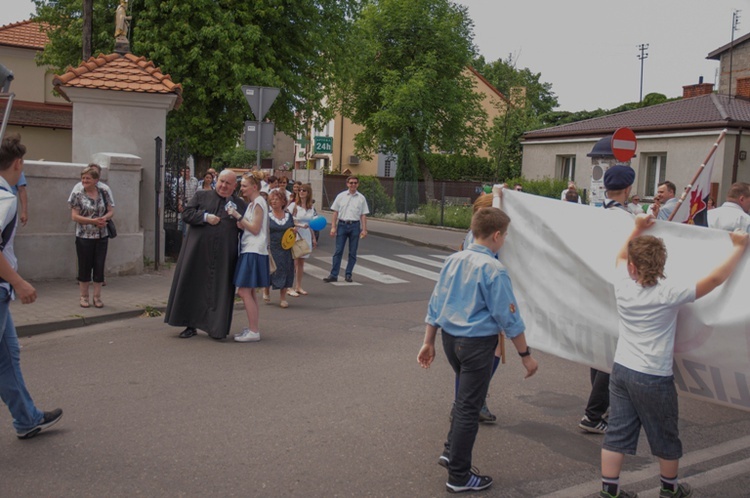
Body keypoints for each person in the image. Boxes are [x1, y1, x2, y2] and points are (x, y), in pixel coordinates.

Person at [599, 214, 748, 498]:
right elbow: (716, 279)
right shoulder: (669, 291)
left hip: (622, 369)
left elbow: (619, 256)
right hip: (654, 375)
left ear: (632, 267)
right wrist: (739, 248)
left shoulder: (622, 283)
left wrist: (637, 227)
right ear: (661, 264)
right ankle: (669, 489)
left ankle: (610, 490)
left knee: (617, 431)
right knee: (665, 433)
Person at [418, 206, 538, 493]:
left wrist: (428, 340)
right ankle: (459, 476)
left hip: (450, 340)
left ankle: (451, 451)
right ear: (497, 235)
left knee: (464, 400)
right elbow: (509, 317)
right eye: (505, 235)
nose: (505, 240)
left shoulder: (453, 259)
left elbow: (436, 302)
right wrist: (526, 355)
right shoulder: (494, 269)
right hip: (477, 345)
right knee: (470, 408)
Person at [0, 134, 63, 440]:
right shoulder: (5, 198)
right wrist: (18, 282)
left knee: (8, 355)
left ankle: (27, 419)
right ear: (19, 164)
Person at [579, 164, 635, 435]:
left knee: (599, 351)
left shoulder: (596, 215)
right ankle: (593, 413)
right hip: (617, 289)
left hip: (595, 288)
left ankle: (599, 406)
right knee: (613, 353)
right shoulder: (626, 220)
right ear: (628, 189)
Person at [165, 169, 246, 340]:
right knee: (194, 286)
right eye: (221, 181)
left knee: (219, 290)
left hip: (224, 255)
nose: (223, 185)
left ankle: (215, 327)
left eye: (228, 183)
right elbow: (186, 214)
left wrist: (242, 225)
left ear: (234, 186)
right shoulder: (201, 196)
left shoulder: (239, 204)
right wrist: (205, 217)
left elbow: (249, 226)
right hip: (198, 252)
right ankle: (190, 325)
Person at [226, 172, 269, 343]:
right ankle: (253, 328)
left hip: (253, 250)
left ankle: (253, 331)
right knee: (249, 291)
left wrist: (237, 216)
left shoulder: (258, 202)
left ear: (254, 187)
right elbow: (250, 226)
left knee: (244, 291)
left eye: (244, 186)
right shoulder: (253, 204)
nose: (241, 189)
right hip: (251, 249)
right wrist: (241, 222)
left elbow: (256, 228)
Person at [69, 165, 115, 309]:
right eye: (83, 178)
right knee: (85, 266)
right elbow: (74, 216)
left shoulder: (104, 192)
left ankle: (97, 297)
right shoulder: (78, 194)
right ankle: (84, 297)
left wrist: (104, 219)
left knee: (99, 266)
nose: (84, 181)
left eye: (88, 178)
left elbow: (111, 210)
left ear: (96, 180)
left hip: (102, 235)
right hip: (84, 236)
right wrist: (92, 221)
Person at [323, 175, 369, 283]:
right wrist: (333, 227)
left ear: (358, 184)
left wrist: (364, 229)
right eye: (351, 183)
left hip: (355, 225)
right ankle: (334, 274)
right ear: (347, 184)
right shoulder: (341, 196)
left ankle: (348, 274)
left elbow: (363, 215)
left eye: (355, 183)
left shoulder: (361, 198)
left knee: (352, 252)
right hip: (342, 224)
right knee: (338, 251)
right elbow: (335, 212)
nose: (353, 185)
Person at [267, 189, 295, 308]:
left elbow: (292, 228)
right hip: (272, 247)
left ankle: (282, 298)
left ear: (283, 201)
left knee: (286, 271)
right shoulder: (267, 216)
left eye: (277, 199)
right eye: (272, 199)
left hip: (286, 248)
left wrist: (294, 231)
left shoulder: (288, 216)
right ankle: (266, 290)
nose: (274, 201)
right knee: (270, 271)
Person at [287, 183, 316, 297]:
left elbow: (311, 224)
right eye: (300, 190)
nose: (302, 192)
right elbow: (288, 220)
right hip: (295, 234)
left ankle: (298, 286)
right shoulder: (294, 206)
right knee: (293, 262)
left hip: (306, 235)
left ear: (308, 193)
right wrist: (299, 224)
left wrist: (313, 237)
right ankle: (289, 286)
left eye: (304, 190)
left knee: (301, 262)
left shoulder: (310, 207)